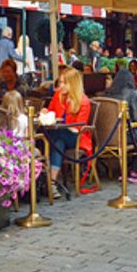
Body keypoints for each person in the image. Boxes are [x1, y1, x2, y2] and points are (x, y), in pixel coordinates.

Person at [45, 67, 92, 196]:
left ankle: (44, 178)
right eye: (60, 82)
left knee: (54, 135)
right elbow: (50, 111)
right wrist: (46, 112)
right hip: (60, 136)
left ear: (74, 83)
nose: (61, 86)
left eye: (64, 83)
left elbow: (79, 128)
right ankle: (52, 183)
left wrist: (62, 125)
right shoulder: (58, 96)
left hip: (76, 137)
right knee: (58, 141)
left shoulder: (83, 101)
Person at [105, 69, 137, 183]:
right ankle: (136, 169)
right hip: (124, 135)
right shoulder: (131, 94)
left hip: (105, 137)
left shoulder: (107, 93)